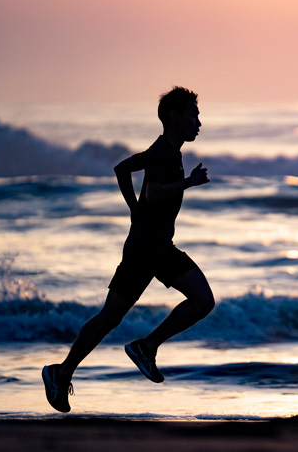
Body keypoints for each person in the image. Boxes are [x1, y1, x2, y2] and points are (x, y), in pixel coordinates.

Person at [42, 87, 215, 413]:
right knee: (201, 300)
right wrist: (187, 184)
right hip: (150, 249)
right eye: (194, 115)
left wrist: (133, 208)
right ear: (175, 117)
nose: (199, 122)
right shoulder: (164, 153)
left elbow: (122, 168)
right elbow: (153, 192)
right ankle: (144, 347)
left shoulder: (163, 150)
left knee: (111, 316)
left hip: (150, 246)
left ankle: (62, 373)